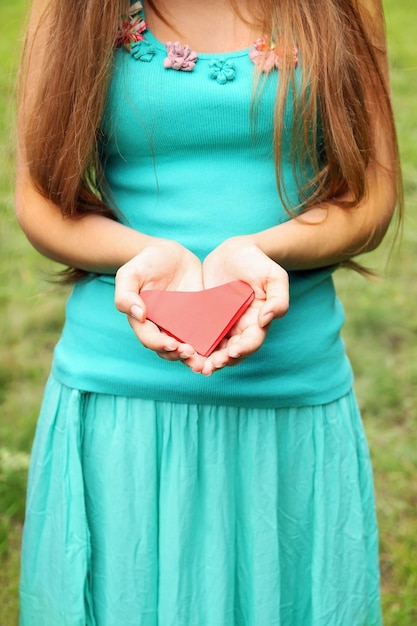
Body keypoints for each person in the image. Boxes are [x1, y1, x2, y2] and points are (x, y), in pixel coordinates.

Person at [15, 0, 401, 624]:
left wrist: (260, 251)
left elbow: (372, 198)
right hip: (119, 402)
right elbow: (38, 200)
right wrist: (145, 255)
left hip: (289, 397)